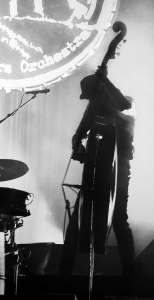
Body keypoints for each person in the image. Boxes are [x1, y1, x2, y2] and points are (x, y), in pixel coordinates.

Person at [58, 67, 136, 275]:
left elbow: (125, 106)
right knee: (78, 219)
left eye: (91, 95)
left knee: (119, 218)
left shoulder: (123, 106)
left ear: (98, 91)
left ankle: (131, 274)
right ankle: (63, 273)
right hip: (94, 169)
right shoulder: (92, 108)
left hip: (117, 171)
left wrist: (106, 81)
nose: (88, 100)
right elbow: (79, 133)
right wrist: (78, 145)